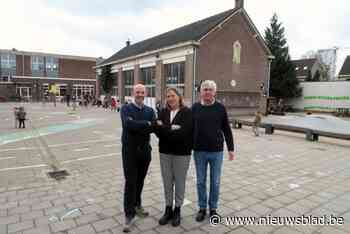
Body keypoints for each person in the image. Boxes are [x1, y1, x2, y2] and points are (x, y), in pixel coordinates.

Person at [192, 80, 235, 222]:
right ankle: (202, 208)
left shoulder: (220, 108)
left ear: (215, 92)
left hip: (216, 151)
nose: (207, 92)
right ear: (201, 92)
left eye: (210, 89)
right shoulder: (195, 108)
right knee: (200, 181)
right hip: (199, 151)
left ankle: (213, 208)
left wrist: (231, 149)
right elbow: (189, 129)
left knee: (215, 182)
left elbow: (227, 129)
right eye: (205, 89)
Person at [120, 84, 156, 233]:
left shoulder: (150, 110)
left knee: (140, 181)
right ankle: (129, 214)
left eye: (142, 92)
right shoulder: (126, 109)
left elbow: (153, 127)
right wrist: (146, 125)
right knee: (130, 182)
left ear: (145, 94)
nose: (140, 94)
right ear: (133, 93)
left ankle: (137, 205)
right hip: (130, 152)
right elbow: (128, 125)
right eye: (138, 92)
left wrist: (146, 125)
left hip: (145, 152)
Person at [154, 88, 192, 227]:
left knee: (180, 182)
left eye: (173, 96)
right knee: (167, 181)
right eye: (168, 96)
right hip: (164, 152)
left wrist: (165, 128)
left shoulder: (187, 112)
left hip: (181, 153)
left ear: (179, 97)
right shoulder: (163, 112)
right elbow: (156, 129)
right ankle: (168, 209)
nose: (170, 98)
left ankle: (177, 210)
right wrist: (172, 128)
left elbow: (184, 133)